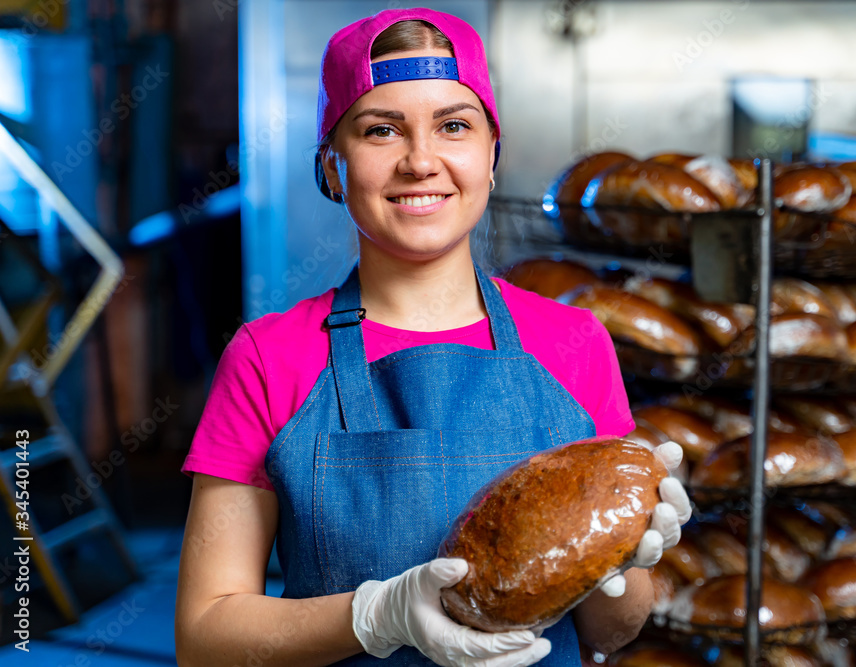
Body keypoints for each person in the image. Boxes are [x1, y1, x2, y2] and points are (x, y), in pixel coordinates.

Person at [174, 8, 690, 667]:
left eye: (453, 125)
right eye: (380, 130)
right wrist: (375, 616)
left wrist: (623, 561)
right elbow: (205, 636)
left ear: (491, 157)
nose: (422, 161)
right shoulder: (268, 357)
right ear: (332, 165)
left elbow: (610, 632)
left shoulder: (574, 340)